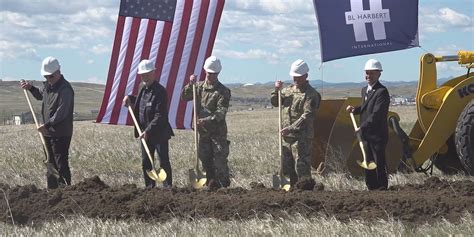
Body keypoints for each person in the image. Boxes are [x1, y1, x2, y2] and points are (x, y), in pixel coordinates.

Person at [20, 56, 75, 189]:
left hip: (61, 133)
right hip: (47, 132)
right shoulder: (47, 86)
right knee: (50, 163)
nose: (48, 79)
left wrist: (48, 125)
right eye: (46, 77)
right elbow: (40, 94)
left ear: (58, 72)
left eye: (50, 76)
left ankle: (66, 192)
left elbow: (62, 112)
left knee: (60, 163)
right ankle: (52, 192)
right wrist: (31, 88)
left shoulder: (65, 89)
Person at [181, 56, 231, 190]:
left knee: (219, 160)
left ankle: (224, 187)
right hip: (203, 133)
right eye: (209, 73)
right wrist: (190, 84)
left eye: (213, 74)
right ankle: (210, 185)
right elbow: (184, 97)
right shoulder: (198, 87)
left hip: (217, 133)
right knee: (205, 159)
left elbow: (220, 113)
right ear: (205, 71)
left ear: (218, 73)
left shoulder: (223, 91)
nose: (211, 76)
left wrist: (204, 121)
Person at [123, 59, 174, 188]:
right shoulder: (142, 87)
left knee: (163, 161)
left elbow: (160, 116)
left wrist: (148, 131)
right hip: (144, 132)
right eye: (142, 74)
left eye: (146, 73)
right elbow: (140, 101)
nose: (144, 76)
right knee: (146, 162)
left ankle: (168, 188)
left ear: (153, 73)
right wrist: (130, 97)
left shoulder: (160, 91)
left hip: (159, 133)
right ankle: (149, 187)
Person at [270, 59, 321, 189]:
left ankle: (304, 191)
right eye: (294, 76)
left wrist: (291, 128)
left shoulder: (311, 94)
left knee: (301, 165)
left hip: (302, 136)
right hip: (287, 136)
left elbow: (307, 115)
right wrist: (276, 90)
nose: (295, 79)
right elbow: (276, 102)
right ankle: (288, 190)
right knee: (286, 164)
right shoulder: (287, 90)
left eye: (298, 77)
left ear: (306, 76)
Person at [346, 59, 390, 190]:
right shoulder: (364, 90)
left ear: (379, 74)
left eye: (372, 73)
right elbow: (366, 107)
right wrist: (355, 110)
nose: (368, 76)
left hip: (378, 135)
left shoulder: (382, 92)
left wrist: (362, 127)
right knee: (367, 160)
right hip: (366, 135)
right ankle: (371, 187)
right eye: (367, 73)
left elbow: (377, 114)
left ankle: (382, 188)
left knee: (378, 162)